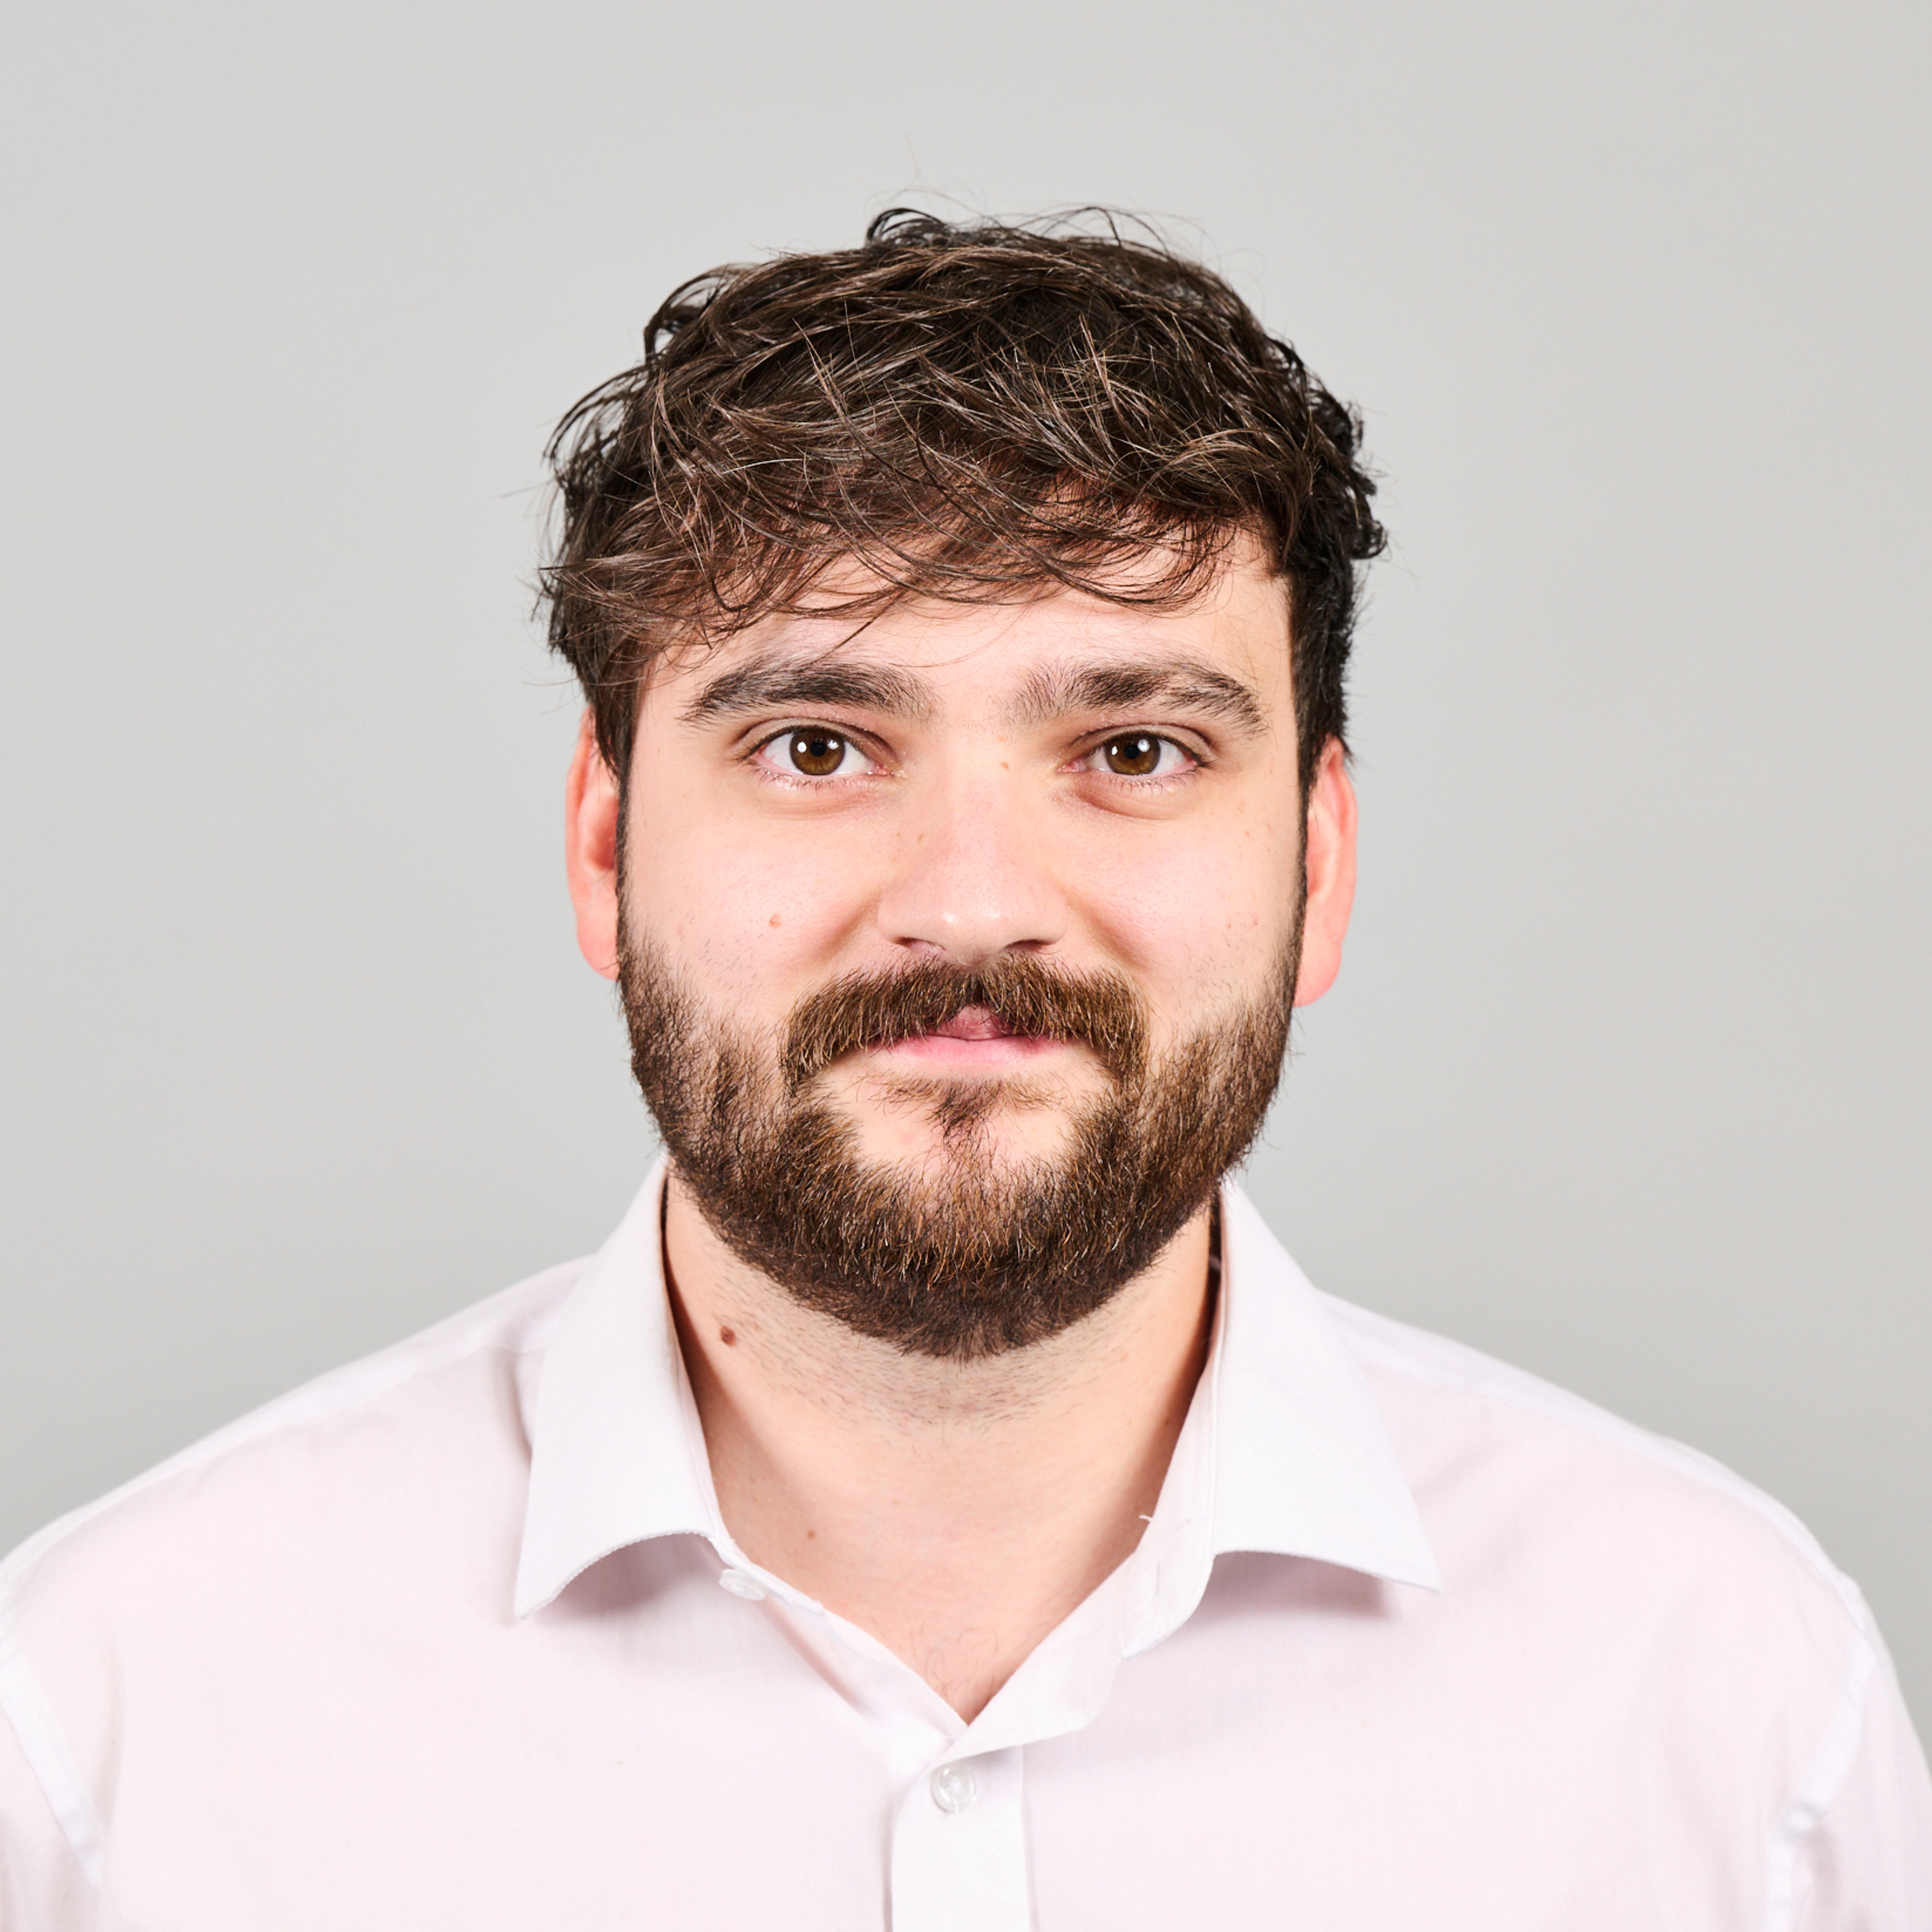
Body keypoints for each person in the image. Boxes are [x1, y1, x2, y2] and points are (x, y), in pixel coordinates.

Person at [2, 209, 1927, 1931]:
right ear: (603, 844)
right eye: (818, 746)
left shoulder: (1723, 1697)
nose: (973, 904)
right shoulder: (110, 1715)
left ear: (1318, 861)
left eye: (1136, 749)